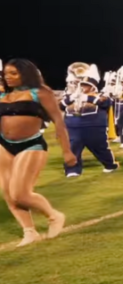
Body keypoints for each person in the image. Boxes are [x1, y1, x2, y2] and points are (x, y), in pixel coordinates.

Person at [1, 58, 75, 246]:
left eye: (13, 73)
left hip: (31, 144)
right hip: (3, 145)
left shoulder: (40, 93)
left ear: (25, 74)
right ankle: (29, 231)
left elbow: (59, 121)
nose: (8, 77)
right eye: (6, 73)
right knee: (8, 193)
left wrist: (67, 151)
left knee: (20, 193)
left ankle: (54, 216)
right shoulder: (4, 94)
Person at [60, 64, 119, 177]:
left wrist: (89, 98)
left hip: (94, 127)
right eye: (82, 84)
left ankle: (110, 165)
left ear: (92, 87)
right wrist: (71, 98)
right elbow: (60, 106)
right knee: (73, 149)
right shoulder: (71, 96)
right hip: (73, 127)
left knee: (100, 148)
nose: (83, 87)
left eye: (86, 85)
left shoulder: (100, 95)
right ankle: (72, 170)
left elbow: (106, 103)